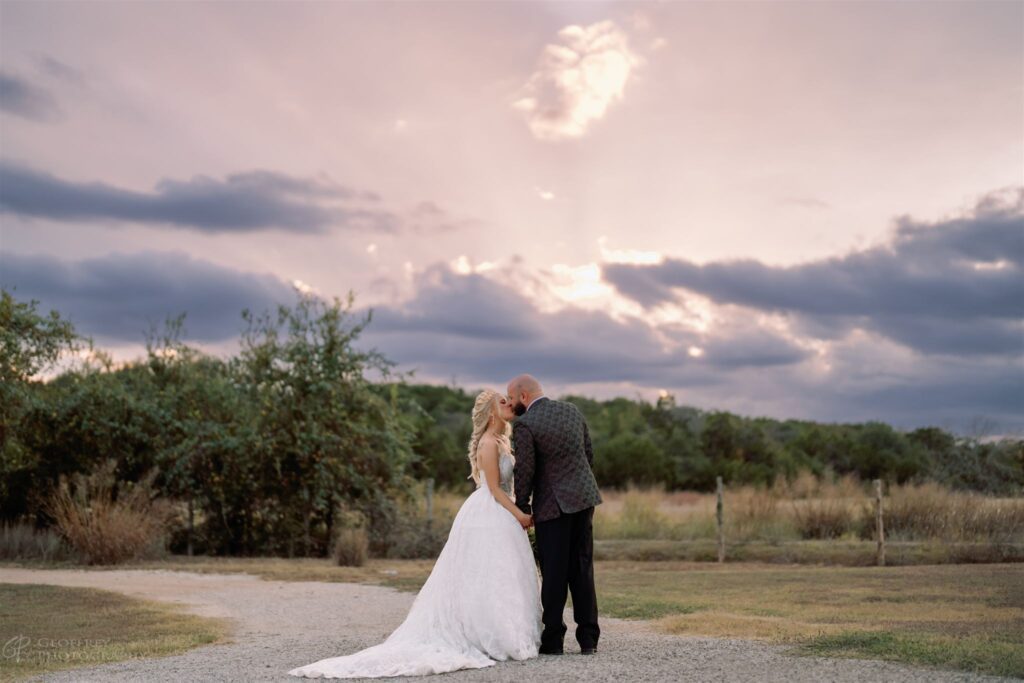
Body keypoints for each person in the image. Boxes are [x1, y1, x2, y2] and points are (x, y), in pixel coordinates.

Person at [288, 389, 541, 678]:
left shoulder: (503, 440)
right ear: (492, 412)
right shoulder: (487, 443)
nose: (509, 404)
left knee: (501, 574)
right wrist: (520, 514)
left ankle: (506, 630)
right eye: (503, 401)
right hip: (489, 513)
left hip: (501, 514)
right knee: (485, 573)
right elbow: (495, 490)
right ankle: (487, 635)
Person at [507, 373, 602, 656]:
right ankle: (589, 640)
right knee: (582, 568)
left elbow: (525, 471)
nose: (511, 404)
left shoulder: (526, 424)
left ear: (524, 396)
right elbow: (588, 453)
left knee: (554, 572)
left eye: (512, 398)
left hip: (553, 506)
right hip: (584, 499)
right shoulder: (572, 410)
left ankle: (554, 639)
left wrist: (522, 508)